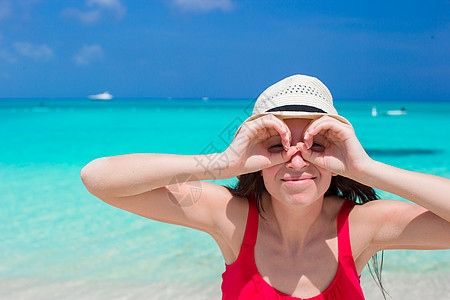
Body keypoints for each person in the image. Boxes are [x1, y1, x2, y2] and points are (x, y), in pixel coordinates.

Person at [80, 74, 450, 299]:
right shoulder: (231, 219)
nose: (297, 159)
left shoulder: (361, 228)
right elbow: (99, 178)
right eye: (277, 145)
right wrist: (224, 163)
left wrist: (365, 168)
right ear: (256, 158)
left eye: (316, 145)